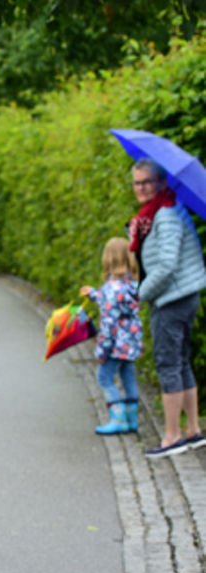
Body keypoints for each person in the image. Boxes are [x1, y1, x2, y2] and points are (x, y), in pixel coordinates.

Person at [128, 157, 206, 457]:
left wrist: (140, 294)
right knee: (181, 361)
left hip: (172, 299)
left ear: (162, 183)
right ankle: (193, 430)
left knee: (168, 364)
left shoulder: (166, 214)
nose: (142, 188)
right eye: (137, 182)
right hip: (181, 296)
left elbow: (166, 267)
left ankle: (172, 437)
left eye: (148, 182)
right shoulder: (157, 212)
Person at [80, 238, 143, 435]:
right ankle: (132, 420)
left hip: (115, 344)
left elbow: (109, 323)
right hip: (130, 342)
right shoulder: (132, 285)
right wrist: (94, 294)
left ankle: (117, 420)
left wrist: (102, 350)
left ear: (108, 260)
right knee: (128, 377)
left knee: (104, 377)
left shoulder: (112, 289)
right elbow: (116, 306)